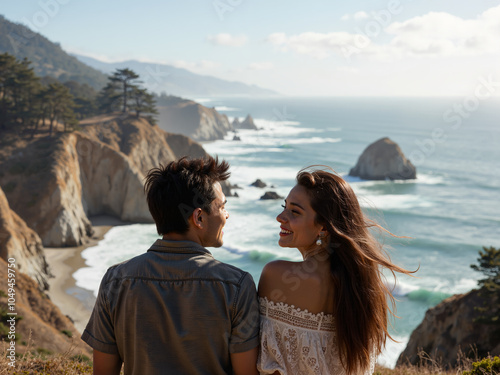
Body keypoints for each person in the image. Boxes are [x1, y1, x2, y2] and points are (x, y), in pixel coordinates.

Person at [81, 156, 260, 375]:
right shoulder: (236, 286)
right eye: (222, 207)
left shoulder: (115, 280)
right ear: (199, 218)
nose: (226, 215)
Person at [257, 167, 414, 375]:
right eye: (284, 206)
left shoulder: (275, 275)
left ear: (323, 226)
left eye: (294, 211)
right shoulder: (363, 287)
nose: (280, 217)